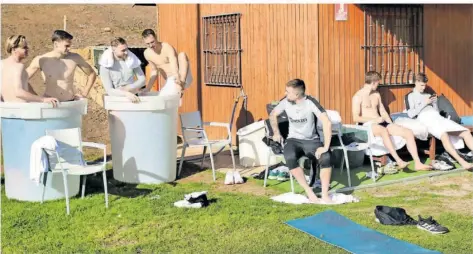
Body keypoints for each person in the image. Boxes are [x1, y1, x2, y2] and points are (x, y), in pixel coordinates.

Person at [270, 79, 333, 204]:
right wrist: (276, 132)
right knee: (289, 157)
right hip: (293, 140)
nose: (285, 93)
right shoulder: (285, 102)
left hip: (311, 140)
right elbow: (273, 114)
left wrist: (326, 146)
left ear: (297, 94)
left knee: (326, 157)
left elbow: (327, 122)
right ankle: (309, 191)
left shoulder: (311, 102)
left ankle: (325, 195)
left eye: (288, 92)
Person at [352, 71, 431, 171]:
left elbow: (383, 111)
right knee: (383, 131)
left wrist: (391, 123)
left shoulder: (376, 94)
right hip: (367, 124)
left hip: (381, 122)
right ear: (373, 82)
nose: (378, 85)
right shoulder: (357, 96)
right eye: (377, 83)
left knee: (408, 132)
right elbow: (356, 118)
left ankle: (418, 163)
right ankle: (399, 161)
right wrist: (374, 119)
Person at [406, 73, 473, 169]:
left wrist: (435, 103)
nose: (423, 87)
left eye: (425, 85)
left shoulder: (428, 95)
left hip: (437, 117)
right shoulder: (410, 96)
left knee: (466, 132)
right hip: (425, 118)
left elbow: (436, 111)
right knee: (444, 135)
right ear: (416, 82)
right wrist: (425, 103)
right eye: (421, 85)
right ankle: (462, 162)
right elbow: (411, 114)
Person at [26, 30, 97, 102]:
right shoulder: (41, 60)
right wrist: (38, 98)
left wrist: (84, 93)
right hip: (51, 104)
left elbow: (92, 74)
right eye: (66, 46)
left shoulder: (75, 58)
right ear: (56, 44)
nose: (69, 48)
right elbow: (22, 79)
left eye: (70, 46)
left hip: (70, 102)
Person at [1, 35, 58, 106]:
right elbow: (19, 92)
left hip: (7, 111)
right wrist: (43, 99)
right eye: (24, 47)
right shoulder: (19, 66)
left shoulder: (2, 64)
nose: (28, 49)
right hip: (22, 110)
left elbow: (25, 84)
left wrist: (39, 98)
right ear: (14, 49)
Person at [139, 29, 192, 100]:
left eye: (152, 42)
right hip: (170, 80)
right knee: (161, 98)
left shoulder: (166, 47)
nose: (151, 45)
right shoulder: (147, 53)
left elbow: (174, 64)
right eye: (148, 44)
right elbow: (154, 71)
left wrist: (178, 80)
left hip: (181, 76)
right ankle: (178, 86)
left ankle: (181, 85)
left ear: (156, 37)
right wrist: (148, 88)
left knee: (182, 55)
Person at [98, 37, 145, 103]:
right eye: (123, 50)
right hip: (116, 99)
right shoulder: (105, 65)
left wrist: (130, 87)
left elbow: (142, 80)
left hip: (133, 96)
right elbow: (109, 90)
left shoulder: (131, 60)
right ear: (114, 49)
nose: (126, 52)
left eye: (126, 49)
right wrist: (125, 93)